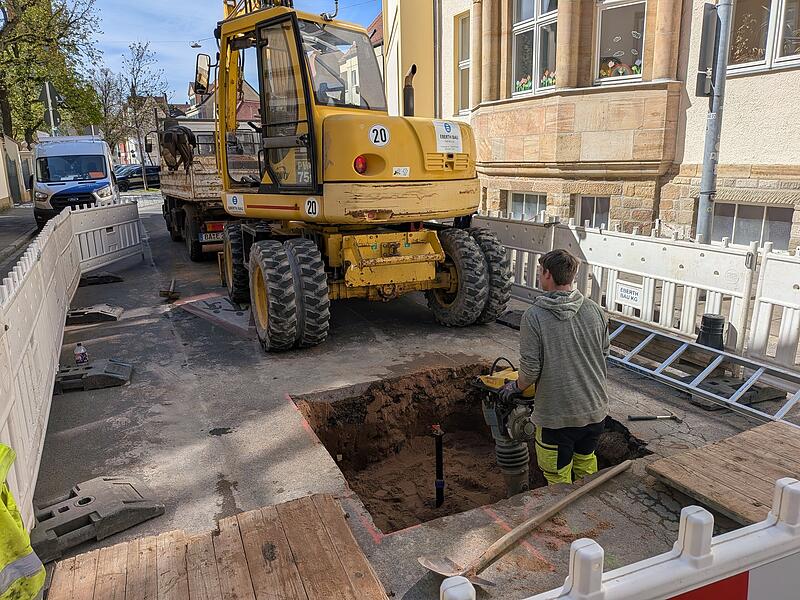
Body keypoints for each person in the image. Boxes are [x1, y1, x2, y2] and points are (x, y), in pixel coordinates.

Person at [501, 249, 610, 485]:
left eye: (541, 272)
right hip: (594, 412)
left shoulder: (535, 316)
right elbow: (603, 354)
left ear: (548, 273)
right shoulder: (596, 311)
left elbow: (530, 370)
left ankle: (563, 520)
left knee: (557, 480)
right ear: (573, 276)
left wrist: (514, 388)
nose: (540, 276)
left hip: (556, 418)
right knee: (586, 467)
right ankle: (588, 516)